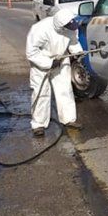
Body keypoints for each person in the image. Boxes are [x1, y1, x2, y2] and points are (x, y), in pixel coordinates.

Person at [26, 9, 84, 137]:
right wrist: (48, 63)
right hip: (41, 64)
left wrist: (77, 52)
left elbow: (73, 41)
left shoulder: (71, 27)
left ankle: (69, 119)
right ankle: (38, 124)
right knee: (41, 93)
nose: (71, 28)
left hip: (61, 59)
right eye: (68, 26)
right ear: (60, 26)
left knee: (65, 90)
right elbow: (31, 52)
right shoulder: (39, 29)